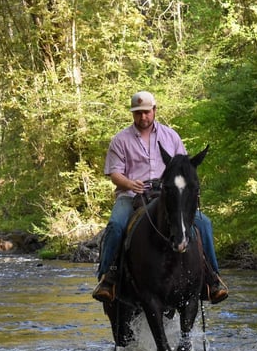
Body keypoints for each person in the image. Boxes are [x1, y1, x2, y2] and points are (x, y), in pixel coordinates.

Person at [92, 90, 228, 305]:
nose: (142, 117)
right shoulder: (120, 140)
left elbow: (184, 167)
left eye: (146, 112)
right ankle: (108, 277)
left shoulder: (171, 136)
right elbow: (115, 173)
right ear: (132, 114)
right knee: (116, 225)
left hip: (167, 194)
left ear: (154, 111)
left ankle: (213, 278)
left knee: (204, 224)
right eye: (138, 113)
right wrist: (129, 183)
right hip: (131, 194)